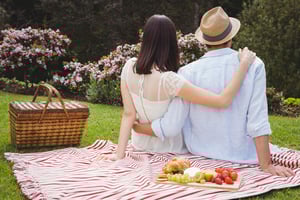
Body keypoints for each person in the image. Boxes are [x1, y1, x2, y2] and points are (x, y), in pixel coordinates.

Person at [133, 7, 295, 177]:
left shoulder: (187, 72)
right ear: (231, 37)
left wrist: (135, 126)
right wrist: (266, 165)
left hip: (200, 154)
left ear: (204, 41)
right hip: (241, 155)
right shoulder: (253, 65)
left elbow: (172, 124)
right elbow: (258, 119)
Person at [105, 14, 255, 161]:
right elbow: (222, 101)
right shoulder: (170, 80)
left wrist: (119, 154)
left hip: (139, 145)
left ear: (146, 40)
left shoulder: (129, 66)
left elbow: (128, 114)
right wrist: (243, 65)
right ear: (171, 43)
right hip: (170, 150)